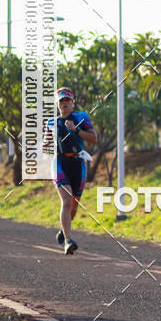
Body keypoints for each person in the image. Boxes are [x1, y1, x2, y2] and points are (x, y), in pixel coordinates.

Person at [47, 87, 97, 255]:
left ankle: (64, 230)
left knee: (74, 205)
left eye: (67, 100)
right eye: (61, 101)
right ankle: (68, 241)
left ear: (72, 102)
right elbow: (46, 144)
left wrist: (76, 130)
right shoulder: (51, 123)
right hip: (60, 163)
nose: (64, 104)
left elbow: (94, 139)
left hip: (78, 162)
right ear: (57, 104)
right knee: (67, 200)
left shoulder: (81, 118)